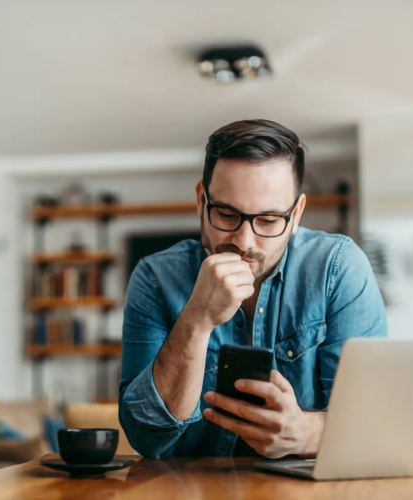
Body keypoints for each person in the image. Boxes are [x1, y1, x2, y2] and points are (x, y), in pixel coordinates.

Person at [119, 119, 387, 459]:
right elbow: (146, 436)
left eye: (269, 220)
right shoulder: (155, 277)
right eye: (227, 214)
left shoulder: (338, 267)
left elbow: (373, 425)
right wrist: (196, 320)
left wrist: (304, 434)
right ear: (202, 201)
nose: (244, 241)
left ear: (296, 215)